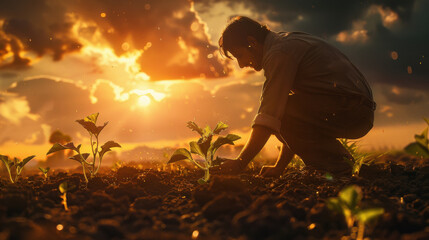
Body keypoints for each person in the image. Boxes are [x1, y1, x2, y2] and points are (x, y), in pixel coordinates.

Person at [217, 16, 376, 178]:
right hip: (355, 108)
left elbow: (269, 117)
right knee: (284, 110)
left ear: (252, 42)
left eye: (239, 55)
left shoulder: (279, 53)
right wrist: (279, 167)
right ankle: (336, 162)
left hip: (352, 110)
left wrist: (240, 162)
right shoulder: (284, 44)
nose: (242, 65)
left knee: (279, 111)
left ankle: (335, 165)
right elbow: (295, 122)